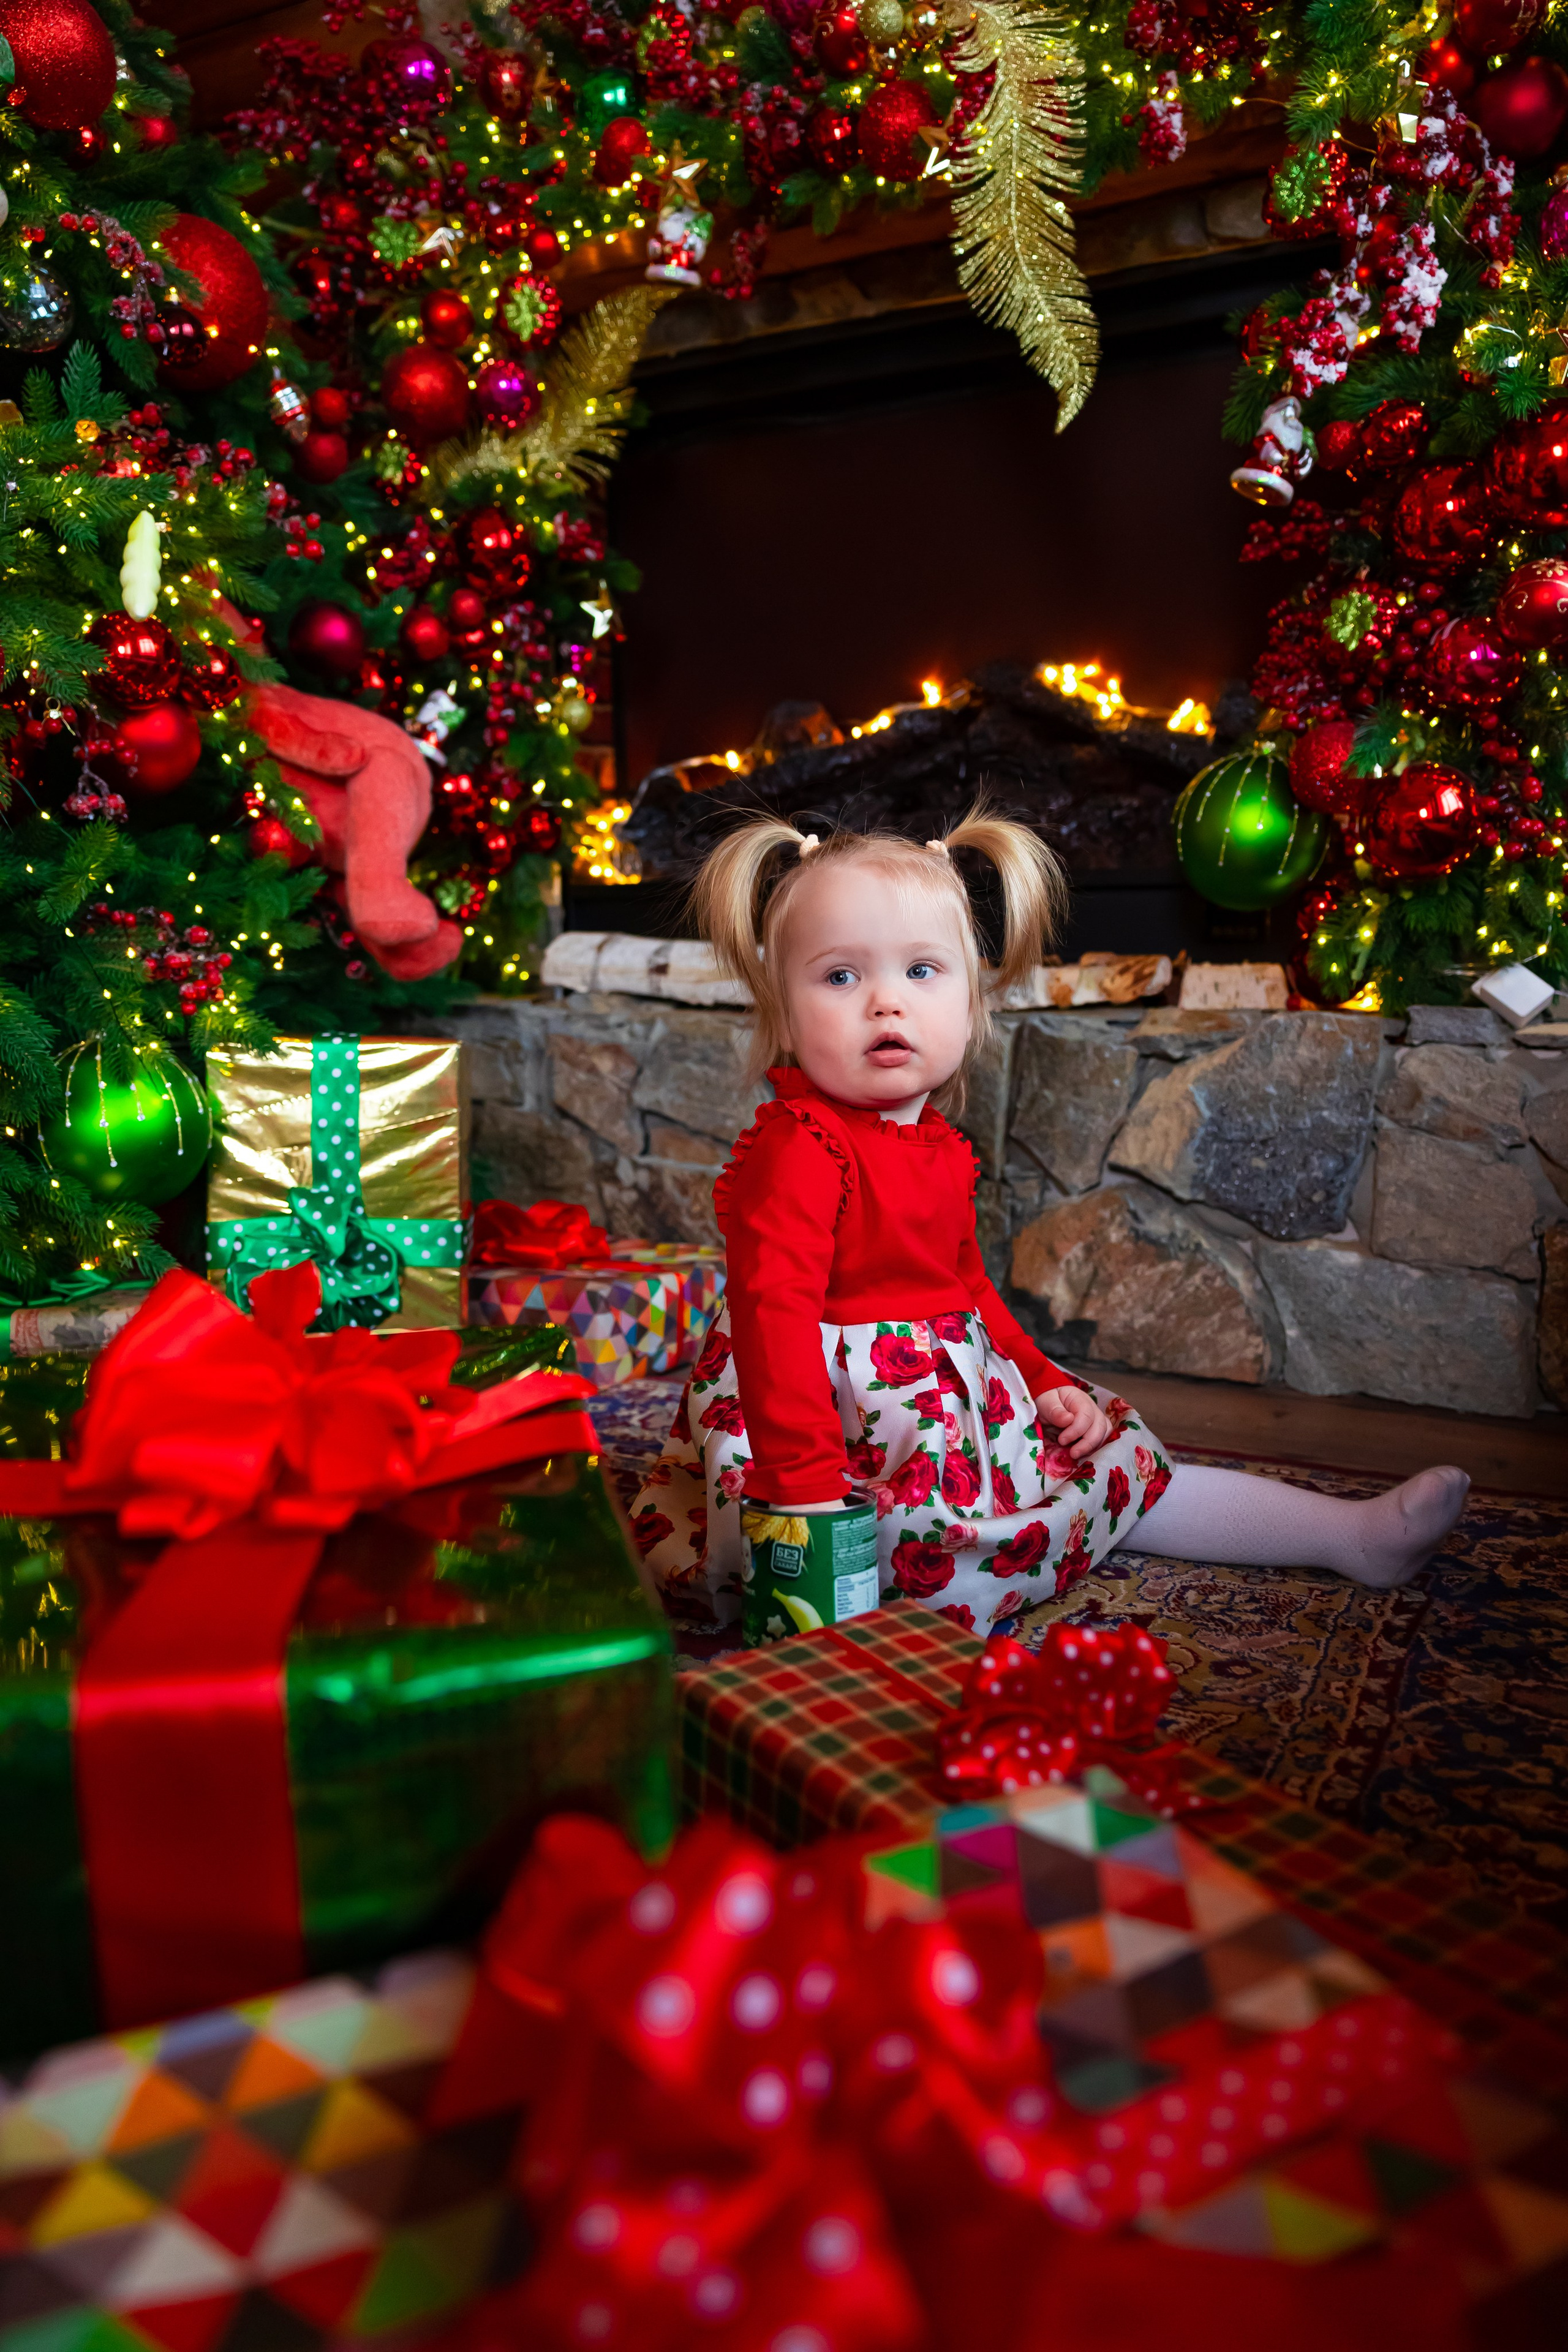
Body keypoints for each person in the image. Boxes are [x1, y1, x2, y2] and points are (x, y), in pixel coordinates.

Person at [628, 810, 1470, 1638]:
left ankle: (1348, 1536)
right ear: (783, 1005)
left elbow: (965, 1290)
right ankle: (907, 1597)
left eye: (923, 971)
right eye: (840, 977)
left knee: (1116, 1465)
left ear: (971, 1002)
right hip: (820, 1432)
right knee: (907, 1553)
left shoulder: (941, 1149)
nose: (886, 1001)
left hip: (946, 1406)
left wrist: (1041, 1379)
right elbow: (773, 1318)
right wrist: (803, 1486)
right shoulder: (802, 1147)